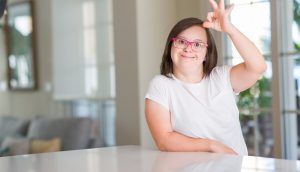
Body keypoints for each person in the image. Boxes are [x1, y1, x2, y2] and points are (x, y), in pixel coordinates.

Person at [145, 0, 266, 156]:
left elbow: (258, 67)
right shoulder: (161, 85)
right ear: (171, 46)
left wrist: (229, 29)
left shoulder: (221, 78)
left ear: (206, 54)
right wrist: (211, 146)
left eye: (197, 44)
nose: (188, 48)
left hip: (233, 167)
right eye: (181, 42)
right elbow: (164, 139)